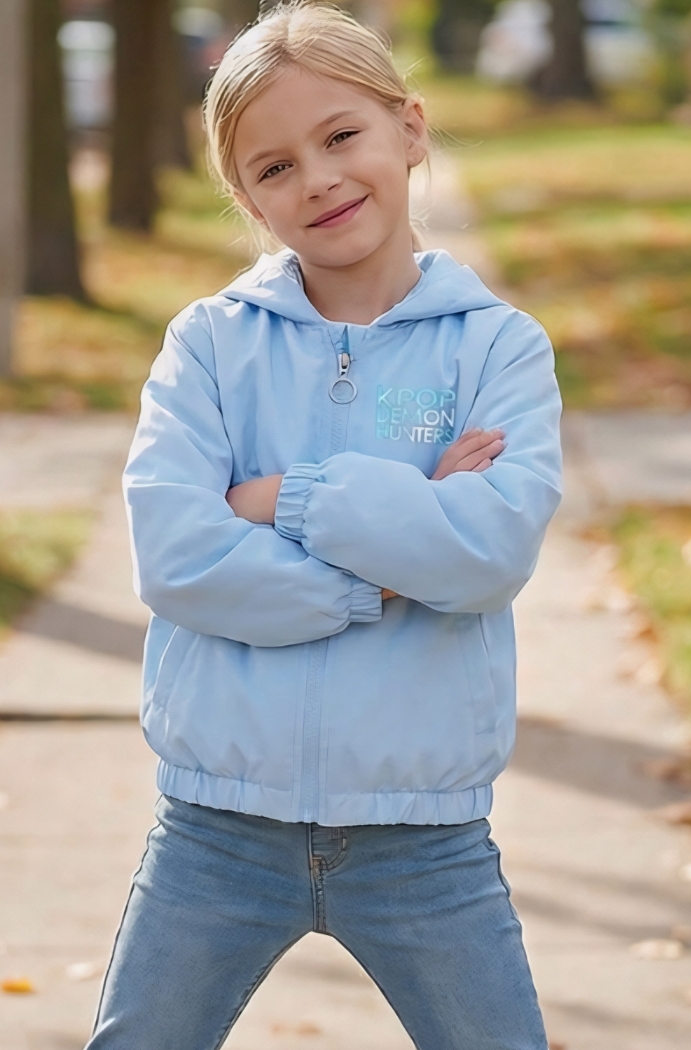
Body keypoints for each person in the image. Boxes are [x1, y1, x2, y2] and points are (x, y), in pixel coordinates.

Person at [86, 3, 562, 1048]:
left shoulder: (497, 350)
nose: (319, 180)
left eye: (341, 137)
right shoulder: (210, 346)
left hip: (425, 840)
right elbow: (179, 557)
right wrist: (387, 569)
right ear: (244, 194)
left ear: (410, 129)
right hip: (216, 831)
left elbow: (486, 554)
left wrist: (277, 499)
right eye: (274, 166)